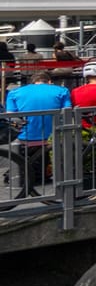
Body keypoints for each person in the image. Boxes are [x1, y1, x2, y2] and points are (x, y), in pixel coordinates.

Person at [5, 68, 72, 198]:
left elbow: (11, 117)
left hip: (25, 137)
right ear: (49, 81)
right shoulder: (62, 91)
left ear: (32, 82)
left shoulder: (15, 92)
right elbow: (67, 112)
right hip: (53, 136)